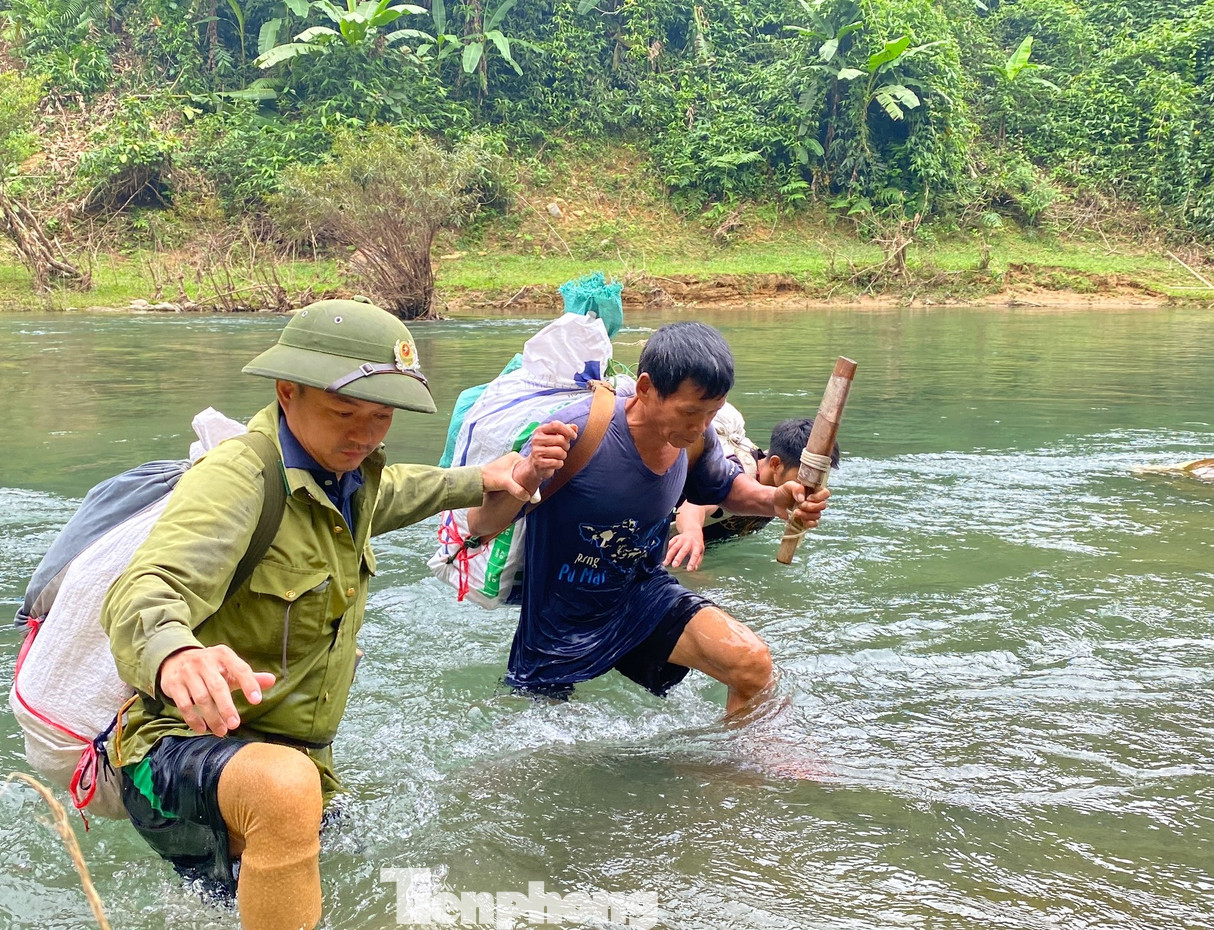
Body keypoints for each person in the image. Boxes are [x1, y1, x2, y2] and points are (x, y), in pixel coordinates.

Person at [100, 299, 574, 930]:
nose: (364, 435)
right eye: (345, 412)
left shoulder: (348, 479)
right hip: (175, 753)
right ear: (287, 392)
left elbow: (401, 489)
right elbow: (145, 586)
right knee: (284, 792)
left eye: (381, 416)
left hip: (295, 758)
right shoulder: (239, 477)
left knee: (308, 856)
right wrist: (177, 652)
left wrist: (484, 479)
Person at [466, 322, 830, 716]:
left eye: (711, 413)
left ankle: (733, 756)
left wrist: (774, 500)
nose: (700, 426)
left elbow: (724, 488)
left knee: (751, 665)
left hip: (642, 595)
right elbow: (480, 526)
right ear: (644, 388)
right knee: (542, 734)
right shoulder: (576, 432)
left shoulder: (695, 441)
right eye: (690, 412)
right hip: (559, 620)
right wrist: (529, 473)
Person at [665, 416, 842, 571]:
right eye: (802, 478)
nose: (808, 488)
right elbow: (694, 506)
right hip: (673, 551)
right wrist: (691, 533)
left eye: (819, 480)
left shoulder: (780, 490)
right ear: (775, 464)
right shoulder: (738, 475)